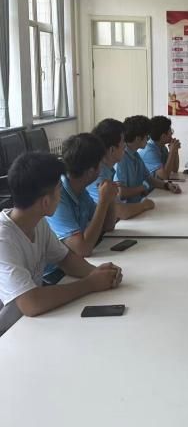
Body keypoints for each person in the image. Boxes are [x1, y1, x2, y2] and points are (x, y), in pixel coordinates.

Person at [0, 153, 123, 336]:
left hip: (30, 324)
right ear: (45, 202)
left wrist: (99, 274)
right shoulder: (4, 238)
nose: (61, 193)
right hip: (8, 333)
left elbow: (66, 259)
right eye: (59, 188)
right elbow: (30, 303)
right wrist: (89, 284)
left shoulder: (37, 222)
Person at [46, 133, 118, 258]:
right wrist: (103, 201)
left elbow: (108, 225)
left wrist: (109, 199)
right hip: (57, 269)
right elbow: (83, 250)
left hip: (77, 262)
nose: (102, 168)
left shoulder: (80, 189)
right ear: (90, 171)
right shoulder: (57, 196)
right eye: (100, 163)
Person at [88, 118, 155, 219]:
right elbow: (121, 212)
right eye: (123, 142)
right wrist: (144, 205)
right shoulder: (97, 174)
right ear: (112, 150)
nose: (125, 145)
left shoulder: (107, 170)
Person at [115, 115, 182, 204]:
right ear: (138, 139)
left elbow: (149, 179)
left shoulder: (135, 155)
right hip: (129, 207)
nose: (148, 139)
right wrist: (143, 188)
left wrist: (167, 185)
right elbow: (120, 193)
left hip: (140, 202)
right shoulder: (121, 158)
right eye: (147, 136)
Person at [138, 116, 181, 180]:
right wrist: (171, 152)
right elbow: (164, 176)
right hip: (148, 186)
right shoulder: (149, 152)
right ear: (163, 136)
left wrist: (175, 150)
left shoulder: (162, 147)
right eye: (170, 131)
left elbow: (174, 169)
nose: (172, 133)